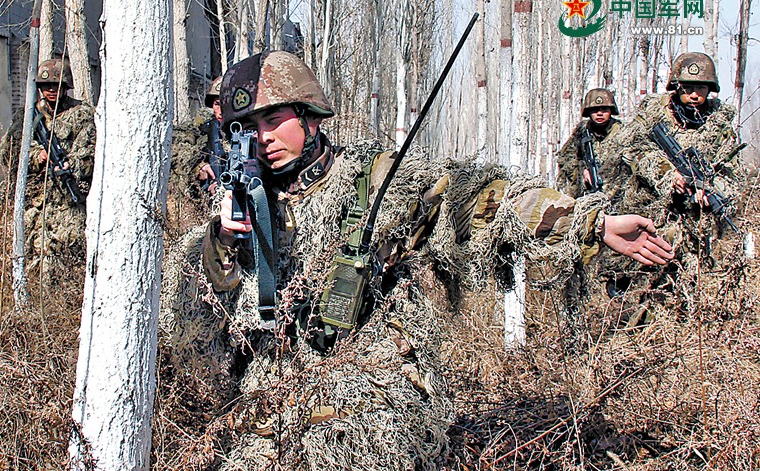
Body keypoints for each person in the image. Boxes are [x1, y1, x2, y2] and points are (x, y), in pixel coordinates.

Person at [160, 51, 673, 469]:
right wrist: (222, 240)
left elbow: (474, 199)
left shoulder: (373, 178)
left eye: (274, 119)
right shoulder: (239, 206)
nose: (264, 138)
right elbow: (197, 320)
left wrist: (588, 224)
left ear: (312, 119)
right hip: (274, 398)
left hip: (369, 388)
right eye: (248, 127)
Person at [599, 52, 745, 300]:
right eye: (688, 87)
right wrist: (666, 174)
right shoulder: (654, 114)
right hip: (645, 207)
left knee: (686, 282)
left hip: (693, 222)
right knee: (631, 275)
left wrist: (710, 191)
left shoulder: (719, 126)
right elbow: (630, 150)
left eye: (701, 87)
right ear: (676, 87)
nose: (695, 94)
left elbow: (733, 174)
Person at [3, 58, 96, 269]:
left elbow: (90, 151)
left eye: (56, 85)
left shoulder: (81, 114)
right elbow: (9, 151)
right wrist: (37, 155)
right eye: (46, 86)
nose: (51, 90)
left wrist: (69, 165)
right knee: (31, 260)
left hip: (70, 202)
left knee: (72, 254)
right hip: (36, 205)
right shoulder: (28, 116)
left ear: (66, 86)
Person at [556, 88, 623, 198]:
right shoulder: (582, 131)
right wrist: (582, 172)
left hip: (618, 191)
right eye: (595, 110)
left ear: (611, 110)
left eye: (604, 110)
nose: (600, 114)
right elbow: (566, 158)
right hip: (588, 192)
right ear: (588, 112)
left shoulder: (623, 132)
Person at [196, 75, 225, 195]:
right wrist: (200, 166)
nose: (221, 110)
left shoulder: (248, 129)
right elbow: (180, 153)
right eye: (217, 104)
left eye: (225, 104)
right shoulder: (203, 129)